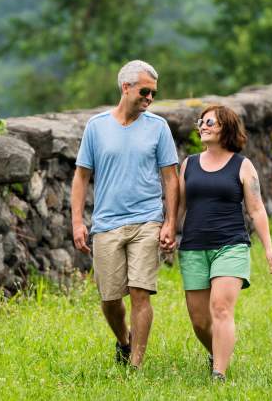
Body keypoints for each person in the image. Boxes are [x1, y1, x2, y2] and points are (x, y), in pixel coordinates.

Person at [71, 60, 179, 369]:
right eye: (145, 92)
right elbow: (81, 176)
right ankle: (123, 341)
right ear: (125, 87)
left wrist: (170, 222)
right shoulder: (96, 126)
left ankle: (136, 364)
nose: (149, 98)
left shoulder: (158, 127)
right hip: (107, 224)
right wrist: (78, 221)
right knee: (109, 299)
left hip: (147, 219)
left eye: (154, 94)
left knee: (140, 292)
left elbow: (170, 177)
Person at [177, 105, 272, 382]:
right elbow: (180, 205)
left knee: (221, 308)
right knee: (199, 320)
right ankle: (216, 351)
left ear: (226, 127)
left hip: (230, 245)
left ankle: (218, 373)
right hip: (194, 246)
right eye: (201, 122)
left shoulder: (242, 165)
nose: (203, 126)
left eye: (209, 122)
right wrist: (167, 230)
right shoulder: (189, 164)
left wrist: (268, 248)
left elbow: (256, 209)